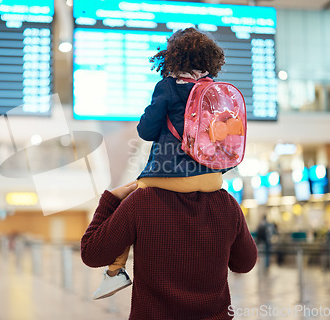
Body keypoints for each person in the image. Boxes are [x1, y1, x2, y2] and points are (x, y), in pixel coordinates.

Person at [89, 27, 231, 300]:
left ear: (173, 58)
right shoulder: (215, 92)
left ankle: (114, 272)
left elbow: (146, 131)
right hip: (214, 177)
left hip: (170, 175)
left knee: (126, 199)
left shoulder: (167, 87)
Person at [81, 181, 257, 319]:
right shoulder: (226, 203)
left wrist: (109, 201)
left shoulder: (140, 201)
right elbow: (245, 263)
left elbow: (91, 253)